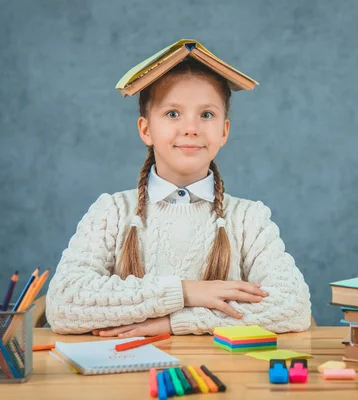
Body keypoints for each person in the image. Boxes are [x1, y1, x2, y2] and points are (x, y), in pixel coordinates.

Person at [46, 41, 312, 337]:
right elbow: (63, 304)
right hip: (126, 378)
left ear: (224, 131)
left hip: (228, 376)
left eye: (206, 115)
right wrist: (186, 292)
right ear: (146, 129)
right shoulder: (112, 212)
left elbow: (293, 306)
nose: (191, 128)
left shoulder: (249, 219)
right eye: (173, 114)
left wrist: (175, 323)